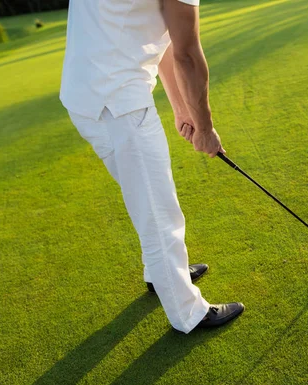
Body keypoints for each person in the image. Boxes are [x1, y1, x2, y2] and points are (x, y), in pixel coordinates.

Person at [59, 0, 244, 334]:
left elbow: (165, 42)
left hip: (83, 98)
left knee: (147, 202)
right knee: (160, 212)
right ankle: (188, 312)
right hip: (118, 103)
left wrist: (182, 109)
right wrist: (204, 128)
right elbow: (187, 54)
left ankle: (160, 274)